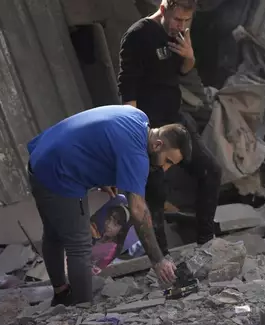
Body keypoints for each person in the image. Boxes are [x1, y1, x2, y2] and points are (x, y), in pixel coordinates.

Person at [27, 105, 192, 306]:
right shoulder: (137, 155)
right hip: (59, 173)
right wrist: (158, 261)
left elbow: (100, 139)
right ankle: (81, 308)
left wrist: (100, 175)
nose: (164, 169)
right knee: (79, 244)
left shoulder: (137, 116)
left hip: (41, 157)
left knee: (54, 233)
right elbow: (138, 211)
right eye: (168, 161)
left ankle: (61, 293)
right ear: (157, 145)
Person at [118, 0, 222, 257]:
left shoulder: (180, 33)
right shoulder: (138, 35)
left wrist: (189, 56)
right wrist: (136, 134)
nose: (182, 26)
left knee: (210, 170)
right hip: (149, 127)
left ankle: (205, 243)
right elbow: (127, 87)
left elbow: (183, 71)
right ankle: (161, 260)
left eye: (188, 21)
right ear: (164, 10)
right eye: (178, 20)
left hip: (176, 120)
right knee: (155, 192)